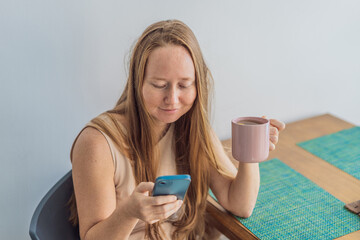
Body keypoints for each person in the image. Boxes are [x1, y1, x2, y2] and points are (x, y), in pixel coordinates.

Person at [68, 19, 285, 240]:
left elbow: (240, 205)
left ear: (198, 84)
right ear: (137, 83)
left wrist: (252, 152)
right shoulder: (96, 144)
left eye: (184, 85)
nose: (172, 99)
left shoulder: (192, 128)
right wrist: (128, 213)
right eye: (159, 85)